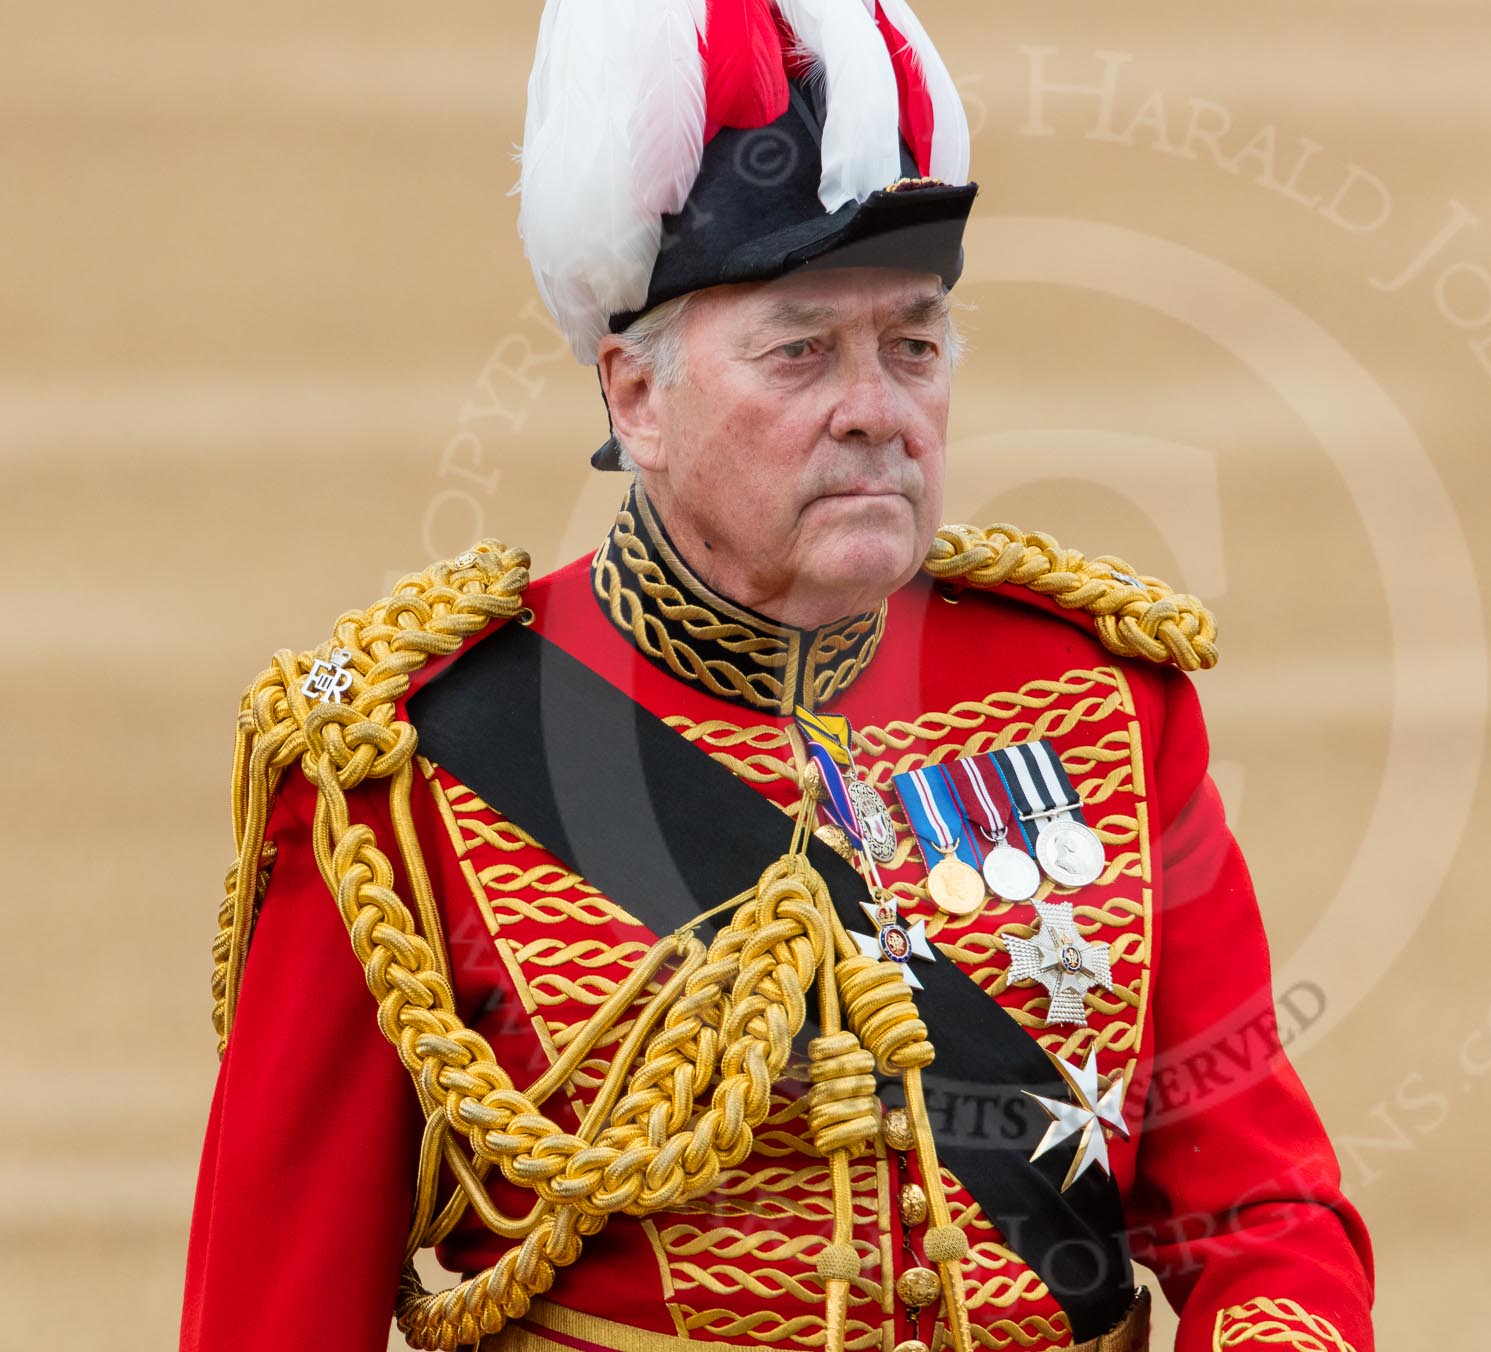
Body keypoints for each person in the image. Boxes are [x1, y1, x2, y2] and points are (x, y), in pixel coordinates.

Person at [181, 3, 1376, 1350]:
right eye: (802, 350)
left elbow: (1261, 1223)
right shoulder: (403, 768)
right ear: (634, 396)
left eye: (913, 345)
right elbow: (268, 1314)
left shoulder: (1101, 704)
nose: (878, 409)